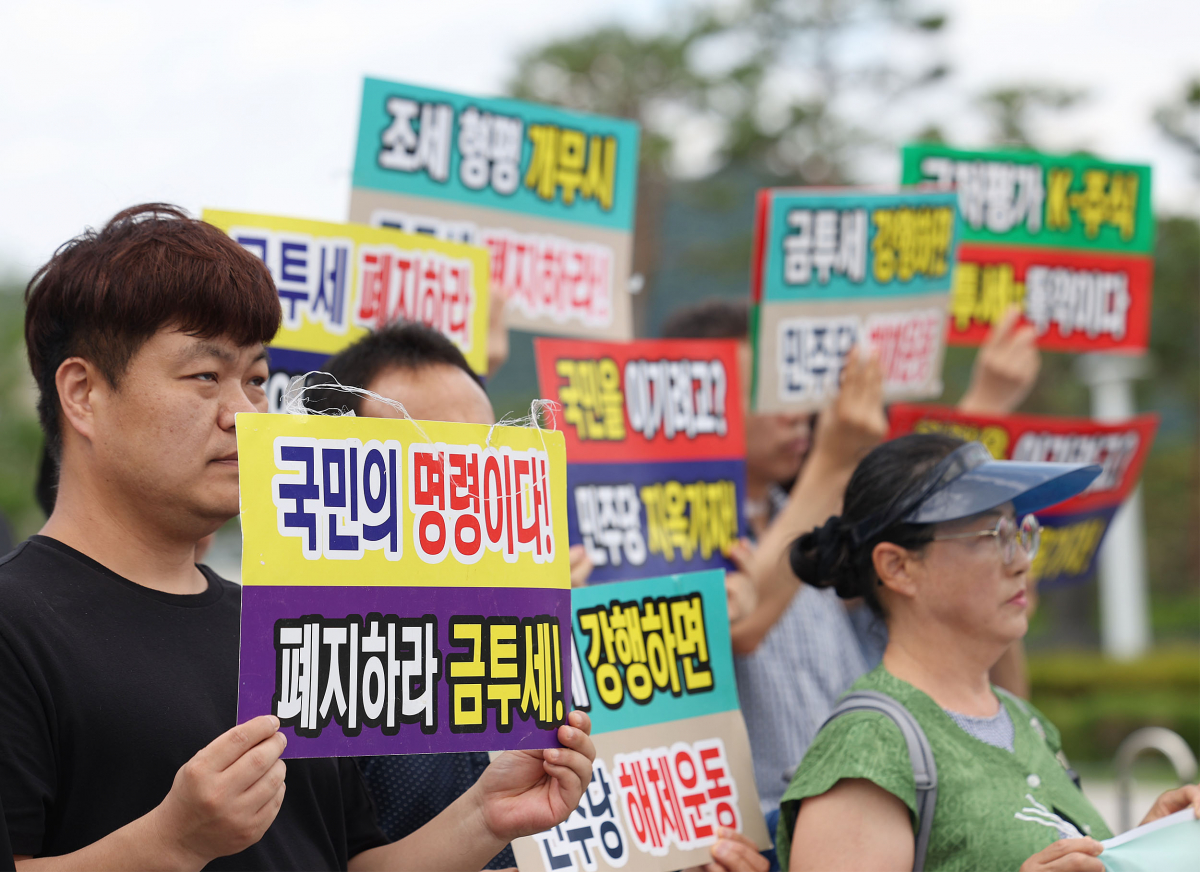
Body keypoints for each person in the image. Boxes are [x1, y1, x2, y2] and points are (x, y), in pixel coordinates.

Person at [0, 204, 595, 871]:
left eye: (255, 380)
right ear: (83, 393)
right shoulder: (16, 623)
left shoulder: (280, 622)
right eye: (205, 377)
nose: (244, 414)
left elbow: (346, 861)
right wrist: (169, 843)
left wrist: (486, 813)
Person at [661, 298, 1045, 866]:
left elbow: (938, 627)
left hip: (866, 822)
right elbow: (740, 625)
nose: (797, 412)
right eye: (764, 393)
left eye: (796, 389)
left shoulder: (821, 523)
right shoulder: (654, 535)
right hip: (742, 847)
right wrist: (832, 460)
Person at [778, 434, 1200, 872]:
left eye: (1020, 532)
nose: (1021, 560)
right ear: (898, 567)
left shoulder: (1025, 721)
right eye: (993, 534)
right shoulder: (869, 744)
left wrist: (1140, 848)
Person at [307, 323, 591, 870]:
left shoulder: (553, 627)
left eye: (489, 449)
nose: (469, 477)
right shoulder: (306, 662)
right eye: (434, 453)